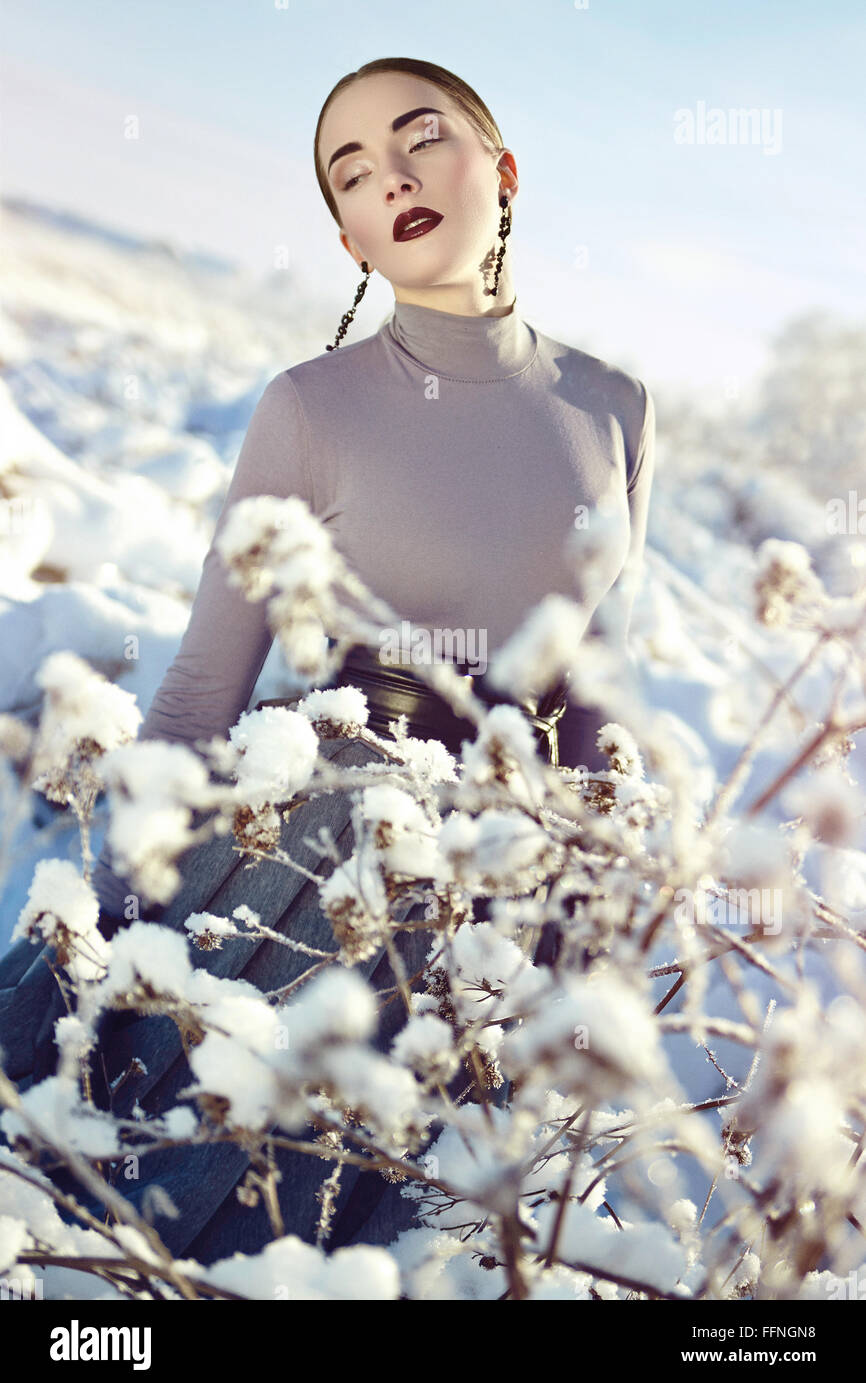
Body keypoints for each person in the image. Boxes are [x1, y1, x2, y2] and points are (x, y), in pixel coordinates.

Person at [0, 57, 655, 1265]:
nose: (390, 178)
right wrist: (115, 906)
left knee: (380, 1239)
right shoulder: (307, 406)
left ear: (501, 174)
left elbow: (593, 684)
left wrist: (584, 924)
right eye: (353, 173)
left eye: (420, 140)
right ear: (348, 232)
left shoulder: (612, 405)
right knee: (165, 1212)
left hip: (497, 876)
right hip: (305, 854)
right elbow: (205, 674)